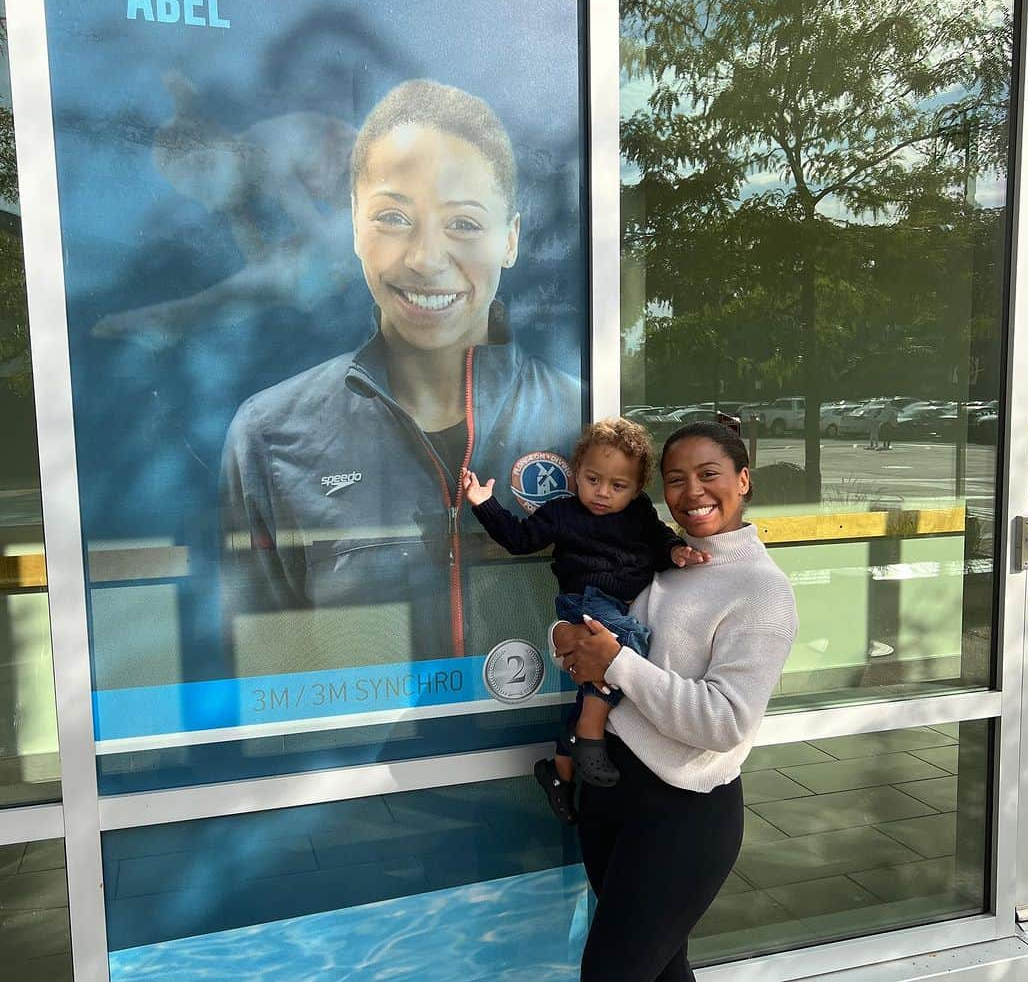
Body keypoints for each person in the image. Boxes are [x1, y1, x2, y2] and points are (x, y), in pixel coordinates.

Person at [220, 80, 582, 665]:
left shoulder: (579, 418)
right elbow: (264, 663)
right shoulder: (269, 434)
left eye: (464, 223)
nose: (424, 258)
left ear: (510, 238)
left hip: (540, 747)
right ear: (354, 225)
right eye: (392, 216)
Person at [554, 422, 797, 982]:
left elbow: (725, 721)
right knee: (663, 972)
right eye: (676, 480)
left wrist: (616, 663)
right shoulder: (662, 556)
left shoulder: (761, 589)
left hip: (682, 810)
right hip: (611, 789)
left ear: (743, 480)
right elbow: (595, 619)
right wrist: (562, 638)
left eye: (709, 475)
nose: (693, 493)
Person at [463, 418, 708, 816]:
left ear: (637, 488)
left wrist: (677, 551)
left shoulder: (640, 512)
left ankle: (559, 769)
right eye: (593, 479)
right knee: (625, 646)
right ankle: (589, 733)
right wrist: (484, 504)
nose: (602, 493)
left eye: (618, 486)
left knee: (599, 677)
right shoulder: (562, 513)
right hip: (585, 600)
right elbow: (520, 540)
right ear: (576, 473)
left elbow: (660, 538)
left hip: (618, 605)